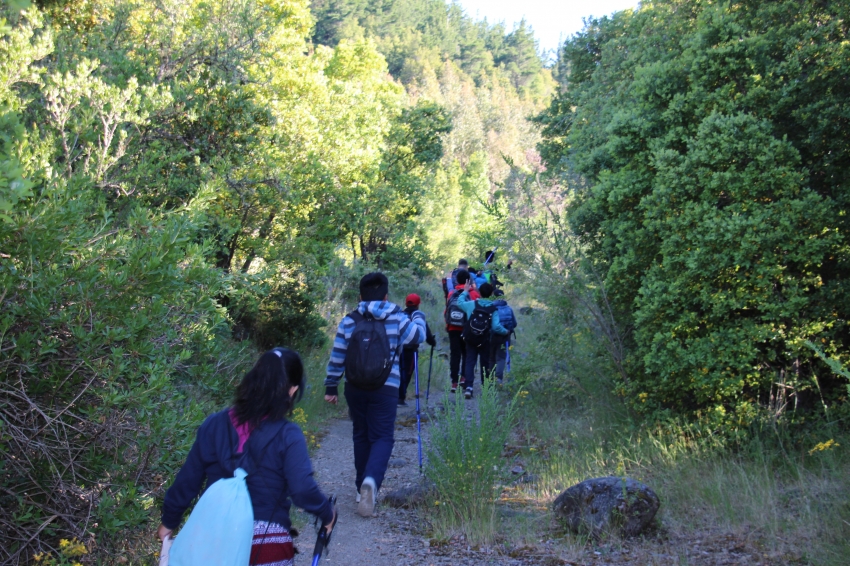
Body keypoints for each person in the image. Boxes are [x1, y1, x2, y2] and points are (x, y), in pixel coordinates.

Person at [158, 348, 336, 565]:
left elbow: (188, 480)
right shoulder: (288, 434)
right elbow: (302, 489)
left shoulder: (214, 424)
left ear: (253, 379)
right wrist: (327, 514)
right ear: (292, 390)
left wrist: (169, 522)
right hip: (267, 543)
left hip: (214, 539)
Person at [324, 272, 424, 518]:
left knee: (361, 434)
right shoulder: (397, 318)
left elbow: (338, 355)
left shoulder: (349, 320)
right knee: (382, 437)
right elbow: (418, 337)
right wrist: (418, 317)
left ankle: (361, 488)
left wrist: (331, 386)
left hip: (354, 386)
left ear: (360, 296)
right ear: (386, 296)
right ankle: (371, 481)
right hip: (386, 387)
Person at [455, 281, 509, 399]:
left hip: (470, 338)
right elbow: (496, 327)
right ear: (491, 294)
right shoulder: (493, 309)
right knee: (485, 363)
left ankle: (469, 387)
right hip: (485, 339)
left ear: (479, 292)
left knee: (470, 361)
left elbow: (459, 302)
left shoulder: (472, 304)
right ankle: (485, 387)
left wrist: (465, 291)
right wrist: (505, 331)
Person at [444, 269, 480, 393]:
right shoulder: (473, 294)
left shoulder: (452, 293)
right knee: (467, 354)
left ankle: (454, 381)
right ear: (468, 281)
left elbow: (447, 310)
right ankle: (464, 377)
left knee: (455, 354)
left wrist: (447, 324)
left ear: (457, 280)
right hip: (467, 329)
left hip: (452, 328)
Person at [399, 293, 437, 406]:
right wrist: (433, 342)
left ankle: (395, 396)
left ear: (406, 303)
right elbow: (427, 334)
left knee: (398, 371)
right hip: (411, 350)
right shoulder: (418, 316)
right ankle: (400, 398)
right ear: (418, 304)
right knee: (407, 373)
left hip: (398, 349)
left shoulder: (400, 315)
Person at [490, 290, 517, 384]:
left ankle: (490, 378)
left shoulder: (491, 308)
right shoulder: (509, 309)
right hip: (505, 336)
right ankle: (499, 378)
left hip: (492, 336)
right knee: (501, 357)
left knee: (491, 357)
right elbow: (514, 324)